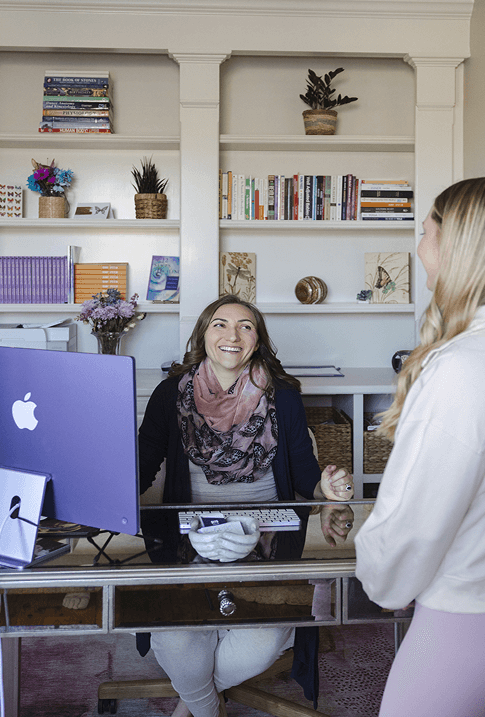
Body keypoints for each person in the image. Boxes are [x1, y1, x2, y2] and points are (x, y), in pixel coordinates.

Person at [354, 176, 485, 717]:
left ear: (455, 246)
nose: (418, 247)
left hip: (471, 619)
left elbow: (413, 523)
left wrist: (377, 572)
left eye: (425, 231)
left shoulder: (465, 369)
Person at [137, 295, 353, 717]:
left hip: (268, 536)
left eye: (245, 327)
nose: (232, 335)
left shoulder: (284, 398)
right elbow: (143, 466)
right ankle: (206, 708)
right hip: (188, 538)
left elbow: (305, 473)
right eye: (219, 324)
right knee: (174, 638)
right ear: (203, 335)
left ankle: (194, 703)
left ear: (257, 341)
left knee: (262, 641)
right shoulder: (169, 395)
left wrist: (325, 485)